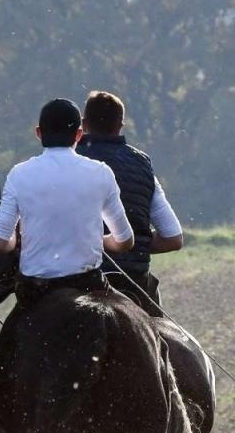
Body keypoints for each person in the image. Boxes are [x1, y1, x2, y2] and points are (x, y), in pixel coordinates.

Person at [0, 97, 137, 433]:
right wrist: (97, 239)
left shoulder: (21, 174)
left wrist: (22, 239)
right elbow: (125, 240)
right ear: (79, 134)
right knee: (148, 350)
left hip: (38, 296)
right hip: (91, 286)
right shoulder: (100, 173)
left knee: (3, 371)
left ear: (38, 134)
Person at [75, 91, 186, 312]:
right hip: (134, 282)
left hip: (77, 278)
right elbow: (173, 238)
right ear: (121, 125)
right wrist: (135, 246)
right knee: (163, 341)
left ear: (84, 124)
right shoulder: (142, 164)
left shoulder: (69, 160)